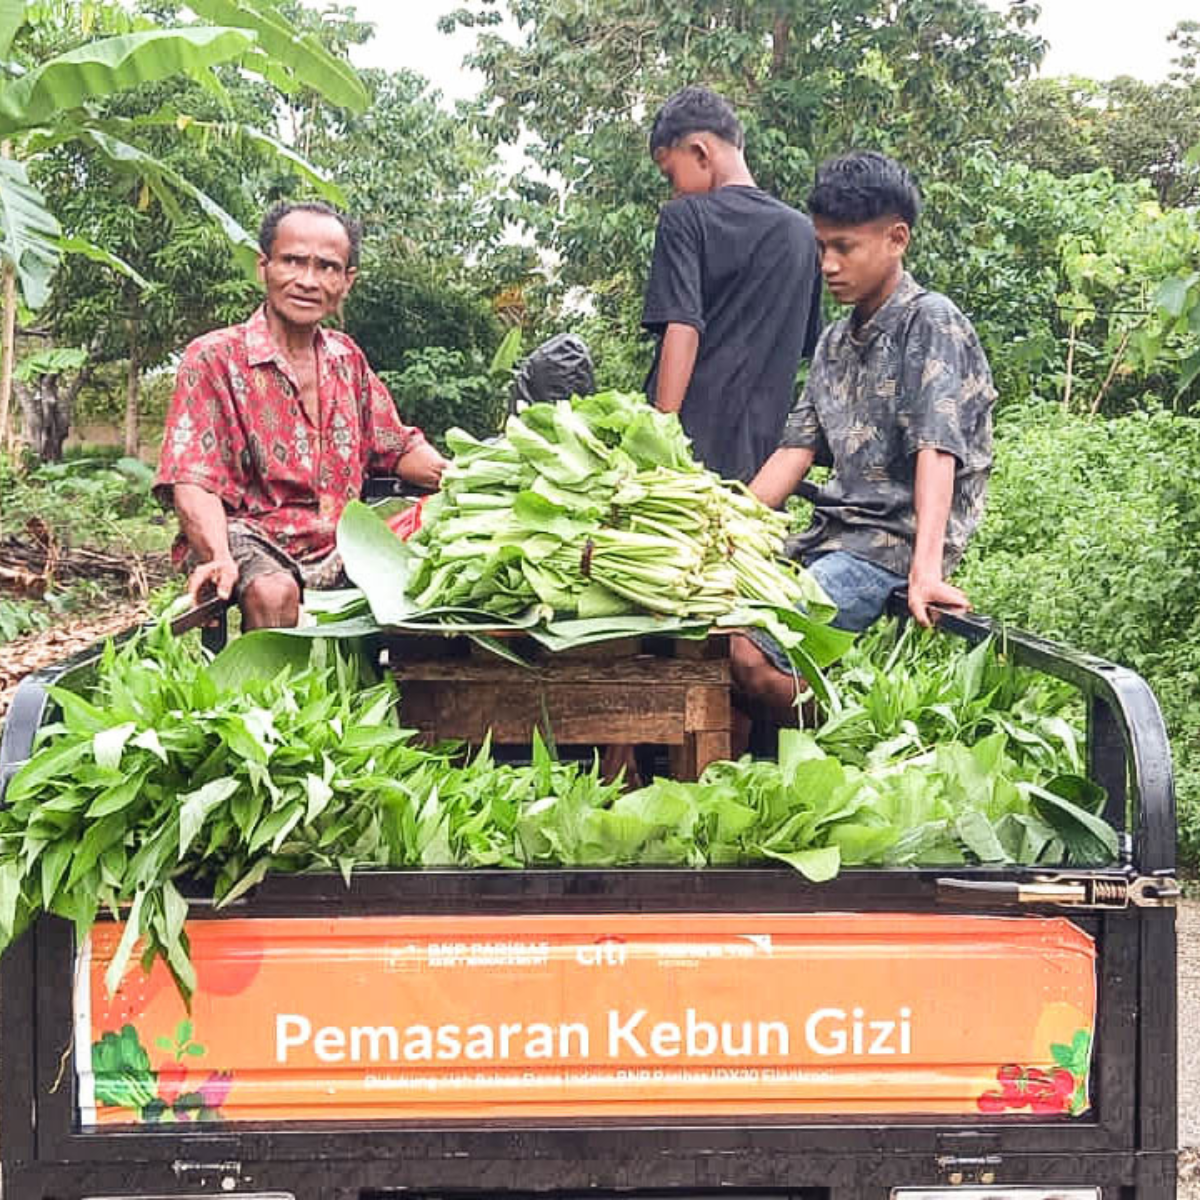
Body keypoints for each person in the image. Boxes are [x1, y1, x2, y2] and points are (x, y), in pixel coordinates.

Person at [731, 150, 996, 712]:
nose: (828, 264)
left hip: (889, 546)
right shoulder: (833, 342)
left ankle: (857, 722)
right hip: (829, 537)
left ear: (896, 239)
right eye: (821, 246)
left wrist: (925, 571)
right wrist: (723, 531)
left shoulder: (931, 322)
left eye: (844, 247)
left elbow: (937, 450)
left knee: (750, 655)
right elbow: (794, 450)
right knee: (703, 623)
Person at [154, 200, 447, 629]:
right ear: (264, 267)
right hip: (251, 537)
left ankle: (391, 692)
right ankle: (277, 697)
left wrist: (465, 476)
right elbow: (194, 480)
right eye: (292, 261)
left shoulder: (347, 359)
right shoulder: (214, 358)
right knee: (274, 592)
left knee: (440, 570)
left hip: (342, 542)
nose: (308, 281)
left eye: (327, 267)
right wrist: (217, 556)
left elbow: (397, 445)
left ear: (347, 281)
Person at [642, 85, 823, 483]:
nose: (673, 189)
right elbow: (804, 352)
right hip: (763, 465)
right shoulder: (802, 234)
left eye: (671, 173)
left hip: (688, 454)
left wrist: (662, 439)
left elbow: (683, 327)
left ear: (701, 152)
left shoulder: (685, 218)